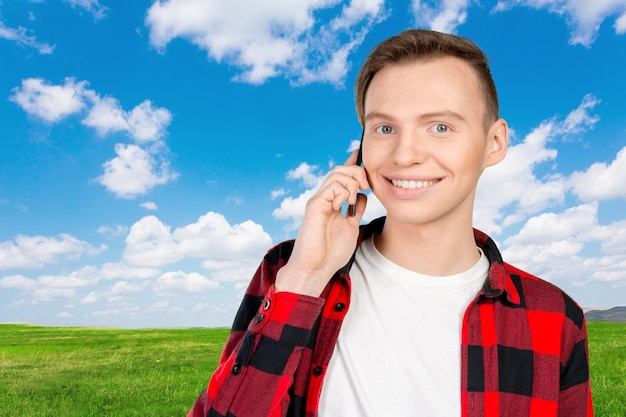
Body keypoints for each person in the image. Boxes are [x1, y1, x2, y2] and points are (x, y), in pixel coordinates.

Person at [188, 29, 593, 417]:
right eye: (384, 128)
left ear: (494, 143)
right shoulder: (289, 270)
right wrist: (304, 281)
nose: (405, 154)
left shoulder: (556, 319)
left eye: (440, 127)